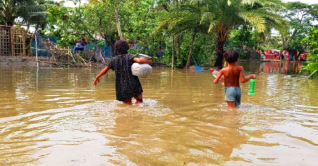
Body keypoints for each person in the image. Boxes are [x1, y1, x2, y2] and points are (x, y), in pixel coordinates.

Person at [93, 40, 152, 104]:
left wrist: (97, 77)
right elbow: (139, 61)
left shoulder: (113, 60)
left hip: (122, 87)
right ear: (126, 48)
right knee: (139, 100)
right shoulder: (129, 56)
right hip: (133, 83)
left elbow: (104, 70)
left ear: (116, 49)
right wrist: (149, 61)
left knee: (127, 105)